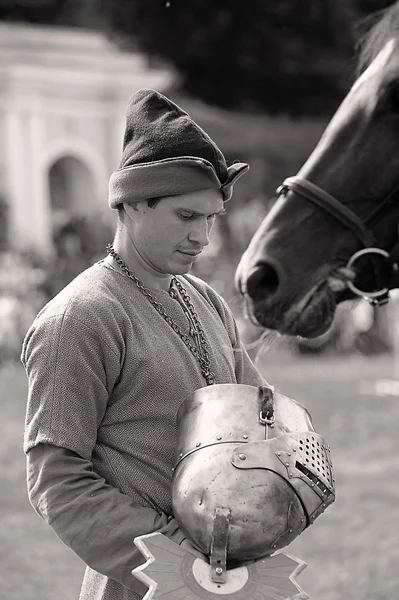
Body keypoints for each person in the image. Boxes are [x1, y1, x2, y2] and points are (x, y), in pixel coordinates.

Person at [22, 88, 268, 600]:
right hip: (140, 583)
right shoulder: (79, 318)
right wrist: (171, 554)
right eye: (185, 216)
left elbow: (256, 413)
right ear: (132, 204)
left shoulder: (206, 299)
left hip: (233, 571)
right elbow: (58, 480)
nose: (203, 237)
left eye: (211, 218)